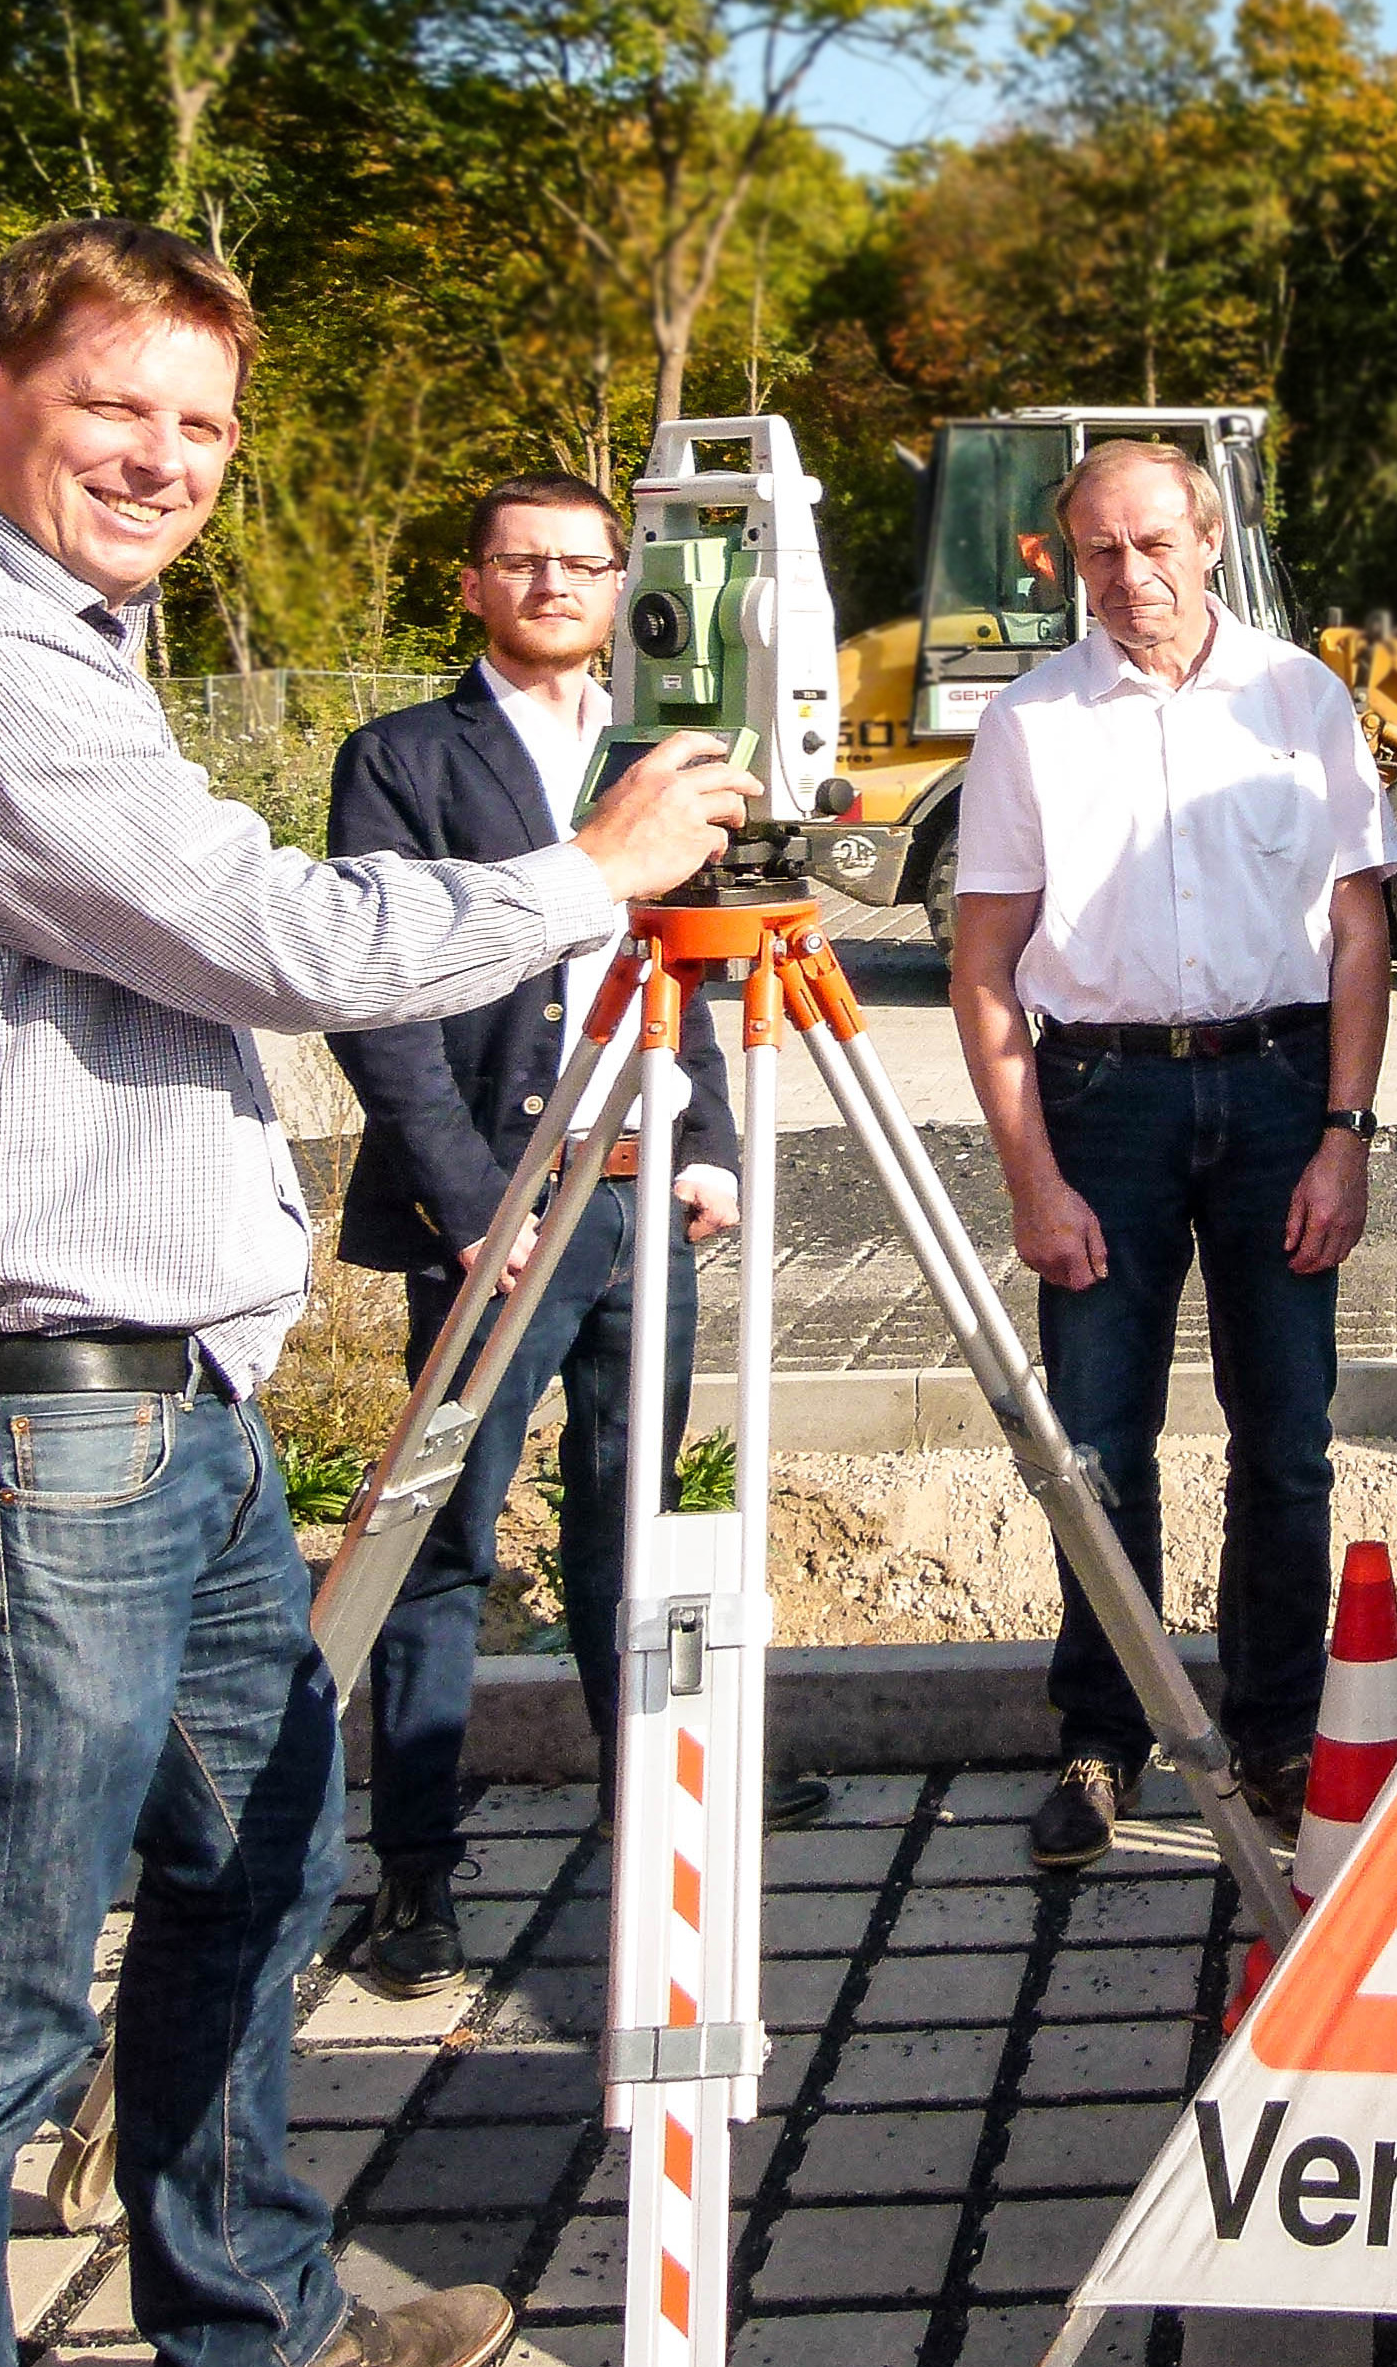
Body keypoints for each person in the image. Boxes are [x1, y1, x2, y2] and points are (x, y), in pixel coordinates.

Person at [0, 220, 752, 2367]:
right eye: (114, 404)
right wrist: (594, 873)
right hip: (12, 1429)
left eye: (202, 424)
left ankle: (254, 2316)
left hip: (147, 1414)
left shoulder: (65, 634)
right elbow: (272, 937)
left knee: (261, 1855)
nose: (165, 458)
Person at [324, 473, 834, 1997]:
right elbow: (377, 995)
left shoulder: (673, 752)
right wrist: (468, 1204)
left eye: (581, 563)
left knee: (635, 1526)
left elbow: (694, 961)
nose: (553, 584)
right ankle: (415, 1871)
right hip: (492, 1213)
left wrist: (713, 1141)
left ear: (625, 585)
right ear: (471, 585)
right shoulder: (404, 758)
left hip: (639, 1195)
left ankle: (652, 1801)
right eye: (520, 561)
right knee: (443, 1541)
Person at [948, 440, 1397, 1873]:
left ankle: (1275, 1733)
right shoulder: (1027, 723)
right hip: (1103, 1107)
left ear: (1210, 538)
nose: (1129, 573)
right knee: (1095, 1447)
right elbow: (982, 970)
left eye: (1153, 542)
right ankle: (1102, 1734)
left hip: (1278, 1096)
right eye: (1099, 550)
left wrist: (1343, 1136)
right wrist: (1032, 1179)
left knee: (1287, 1440)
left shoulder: (1301, 697)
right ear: (1065, 561)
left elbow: (1357, 935)